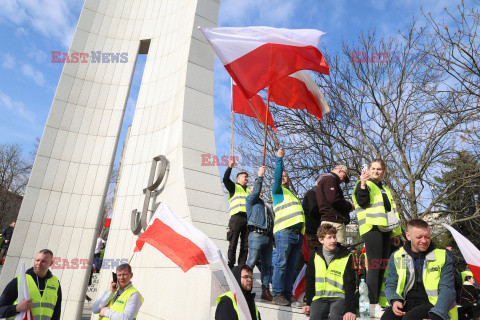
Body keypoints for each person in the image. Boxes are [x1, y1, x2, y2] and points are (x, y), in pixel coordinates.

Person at [352, 159, 402, 318]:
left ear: (384, 171)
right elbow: (361, 201)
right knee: (374, 266)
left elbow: (391, 211)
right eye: (373, 168)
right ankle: (372, 304)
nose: (376, 171)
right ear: (369, 170)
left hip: (385, 230)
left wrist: (395, 233)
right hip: (371, 228)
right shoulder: (364, 184)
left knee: (382, 265)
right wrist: (362, 184)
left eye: (379, 169)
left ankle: (374, 303)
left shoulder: (385, 189)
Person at [382, 219, 458, 320]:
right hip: (404, 302)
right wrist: (394, 300)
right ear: (408, 236)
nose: (424, 241)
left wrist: (436, 315)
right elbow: (390, 284)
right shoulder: (396, 256)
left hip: (432, 304)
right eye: (419, 237)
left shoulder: (443, 256)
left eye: (427, 237)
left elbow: (447, 290)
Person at [271, 147, 305, 306]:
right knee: (281, 263)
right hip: (285, 232)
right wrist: (279, 159)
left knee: (291, 266)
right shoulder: (277, 192)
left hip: (298, 235)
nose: (283, 177)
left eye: (286, 176)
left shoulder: (292, 194)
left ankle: (287, 292)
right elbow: (277, 176)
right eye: (282, 176)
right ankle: (277, 293)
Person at [303, 224, 356, 320]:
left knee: (335, 317)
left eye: (334, 237)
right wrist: (308, 303)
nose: (333, 240)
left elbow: (350, 284)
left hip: (339, 298)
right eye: (329, 238)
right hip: (319, 298)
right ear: (321, 240)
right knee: (314, 317)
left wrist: (350, 309)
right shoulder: (314, 256)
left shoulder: (346, 256)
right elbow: (310, 280)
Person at [0, 249, 62, 319]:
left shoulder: (55, 283)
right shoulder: (20, 280)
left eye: (43, 261)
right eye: (37, 260)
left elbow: (56, 313)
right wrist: (16, 308)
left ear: (51, 263)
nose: (39, 263)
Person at [245, 166, 274, 301]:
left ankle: (265, 290)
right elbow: (255, 192)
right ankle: (243, 287)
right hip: (256, 235)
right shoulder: (251, 201)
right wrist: (260, 176)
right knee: (251, 261)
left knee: (266, 266)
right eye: (256, 188)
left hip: (267, 237)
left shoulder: (266, 205)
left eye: (260, 188)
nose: (259, 190)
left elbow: (272, 221)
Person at [316, 166, 354, 246]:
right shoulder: (330, 179)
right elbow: (334, 200)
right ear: (340, 171)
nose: (343, 181)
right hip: (334, 221)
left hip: (328, 219)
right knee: (338, 250)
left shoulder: (324, 180)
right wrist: (350, 206)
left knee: (328, 250)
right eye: (344, 177)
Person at [223, 157, 250, 269]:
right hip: (236, 218)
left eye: (248, 177)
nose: (247, 178)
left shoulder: (249, 191)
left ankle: (241, 267)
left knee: (245, 245)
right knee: (233, 243)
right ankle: (230, 266)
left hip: (247, 219)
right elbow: (225, 179)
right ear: (238, 178)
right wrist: (230, 167)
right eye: (245, 176)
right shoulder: (233, 187)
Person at [303, 178, 321, 257]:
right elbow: (313, 210)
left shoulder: (319, 195)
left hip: (316, 232)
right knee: (312, 258)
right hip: (311, 232)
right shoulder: (311, 193)